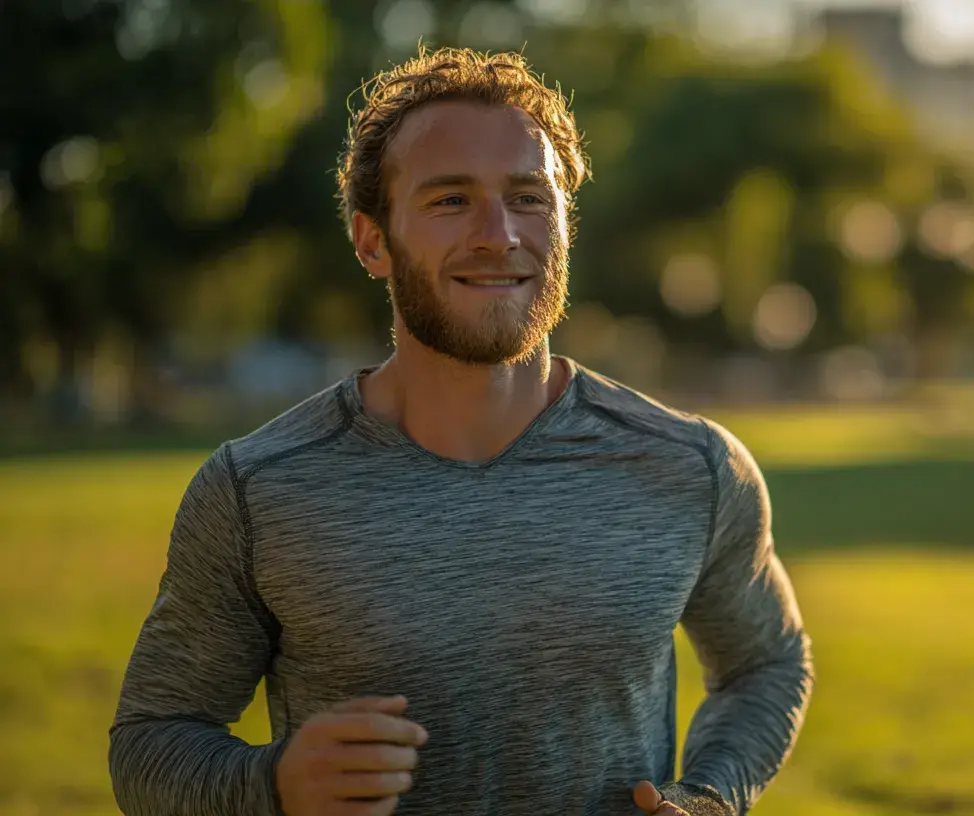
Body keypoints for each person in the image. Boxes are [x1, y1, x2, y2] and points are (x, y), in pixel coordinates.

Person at [108, 47, 813, 816]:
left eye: (529, 198)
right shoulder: (259, 491)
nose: (498, 234)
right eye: (450, 200)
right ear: (372, 241)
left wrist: (711, 796)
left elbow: (766, 665)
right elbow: (153, 739)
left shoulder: (693, 466)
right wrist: (272, 785)